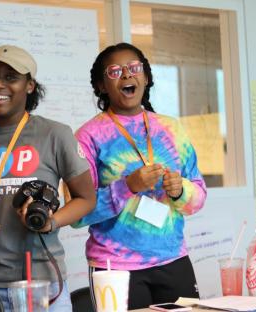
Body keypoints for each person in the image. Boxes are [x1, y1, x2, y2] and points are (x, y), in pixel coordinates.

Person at [0, 45, 96, 311]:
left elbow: (86, 198)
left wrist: (52, 222)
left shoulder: (54, 134)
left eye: (11, 77)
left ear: (29, 86)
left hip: (39, 282)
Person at [74, 42, 207, 309]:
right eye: (114, 71)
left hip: (173, 259)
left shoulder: (172, 127)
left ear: (145, 77)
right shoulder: (88, 136)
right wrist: (127, 187)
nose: (126, 75)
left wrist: (179, 190)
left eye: (134, 68)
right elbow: (78, 213)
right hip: (114, 266)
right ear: (101, 85)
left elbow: (199, 195)